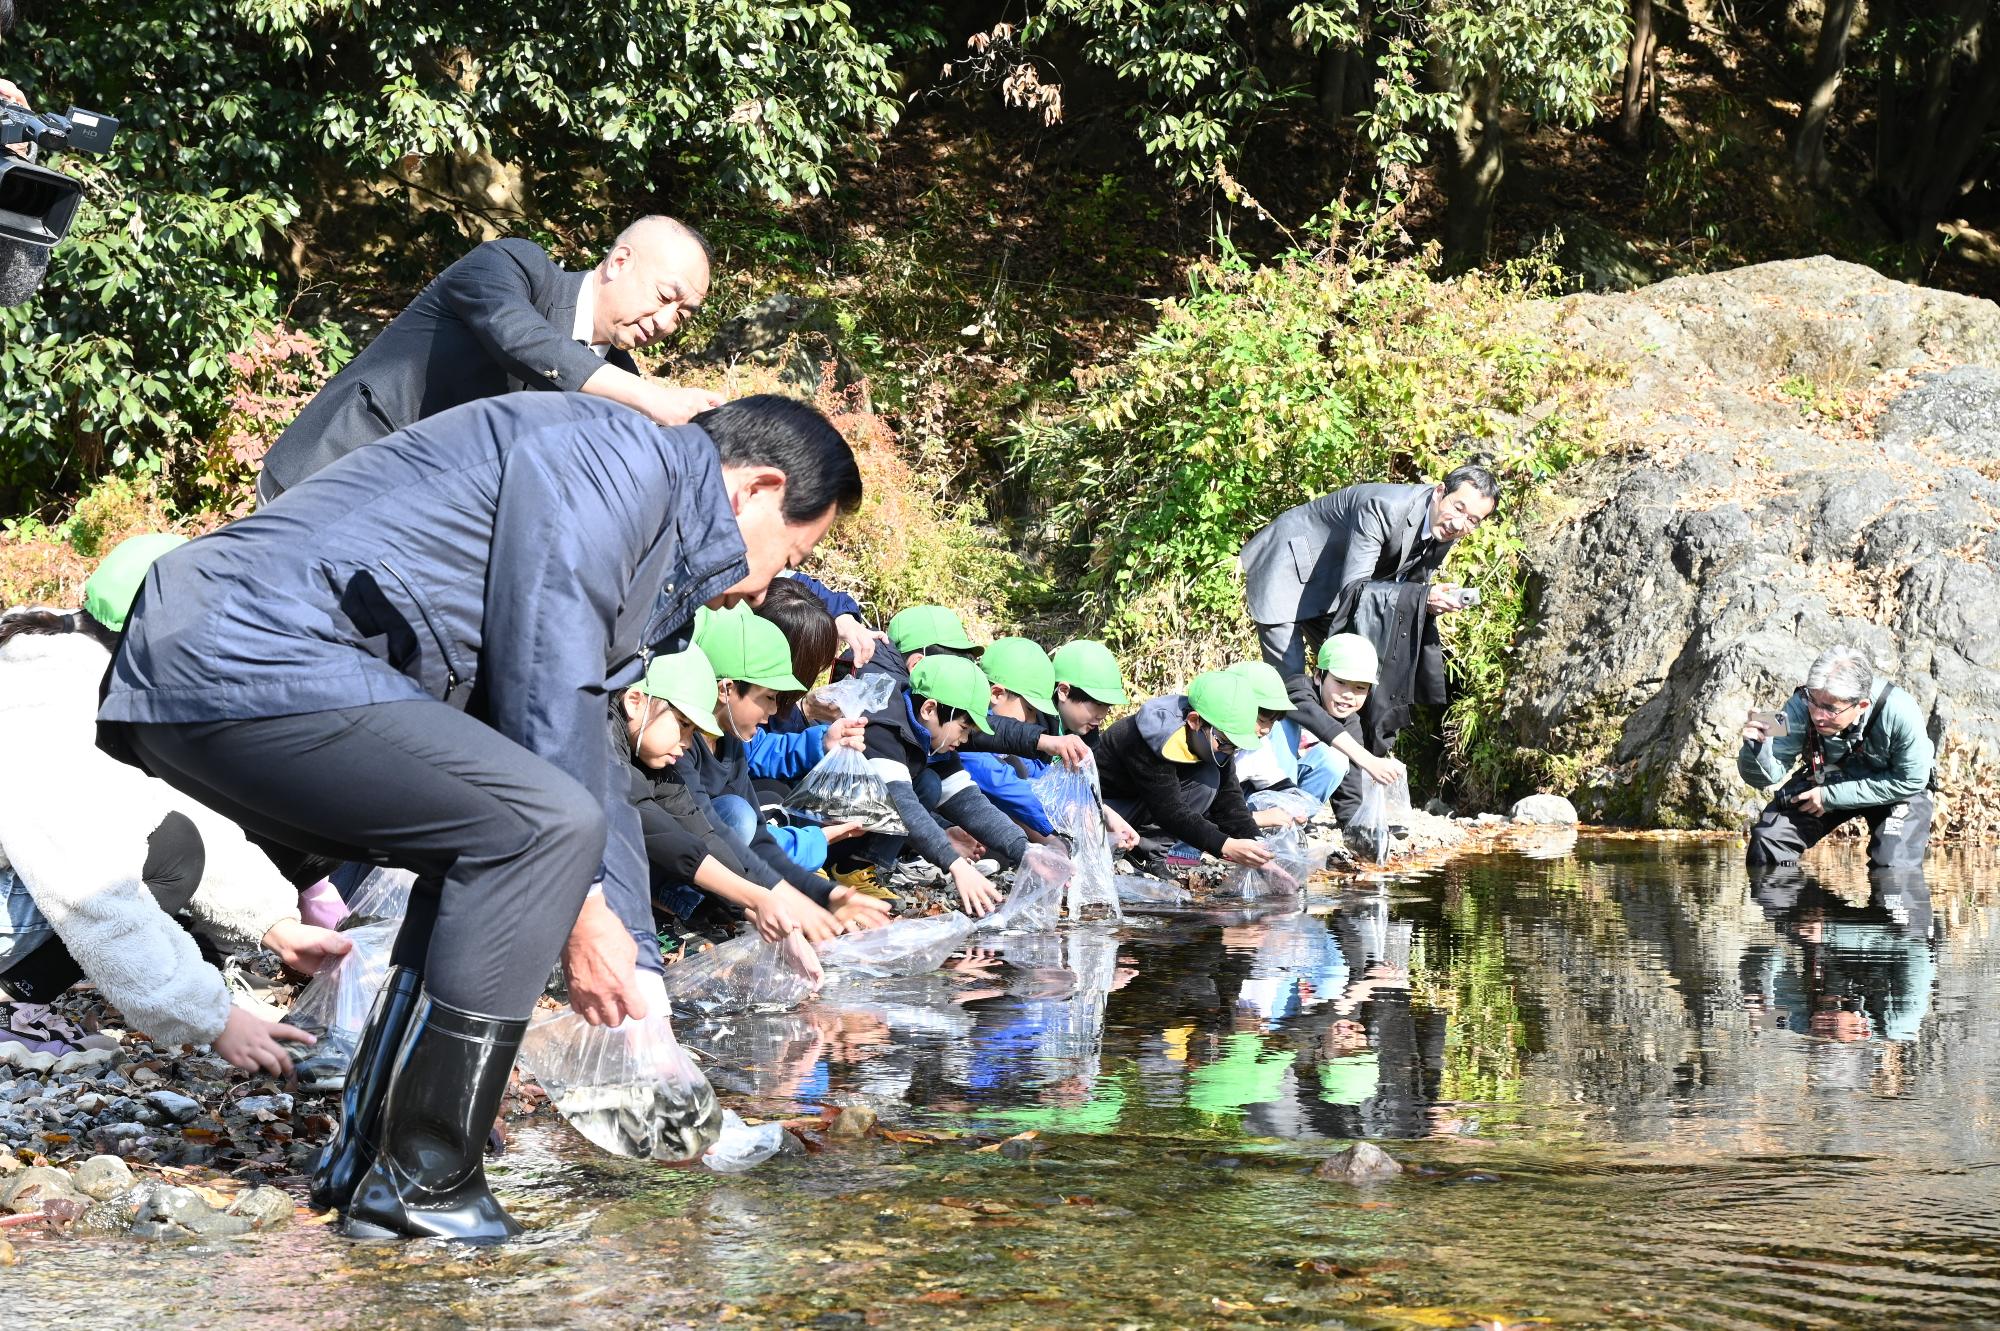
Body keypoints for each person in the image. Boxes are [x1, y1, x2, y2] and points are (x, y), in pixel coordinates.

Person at [99, 391, 861, 1242]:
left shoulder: (637, 507)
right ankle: (426, 1182)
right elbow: (550, 686)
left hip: (230, 659)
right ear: (756, 489)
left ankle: (372, 1162)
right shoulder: (614, 461)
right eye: (787, 553)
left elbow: (588, 752)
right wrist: (582, 912)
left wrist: (638, 966)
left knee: (493, 837)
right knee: (538, 831)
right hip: (250, 649)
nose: (755, 591)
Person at [0, 534, 350, 1075]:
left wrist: (275, 922)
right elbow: (90, 892)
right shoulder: (46, 711)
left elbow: (158, 803)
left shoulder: (75, 654)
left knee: (172, 836)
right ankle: (10, 1001)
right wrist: (212, 1017)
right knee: (167, 853)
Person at [256, 216, 725, 500]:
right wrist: (652, 398)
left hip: (412, 528)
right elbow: (518, 335)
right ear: (619, 262)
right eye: (666, 296)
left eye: (684, 315)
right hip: (334, 468)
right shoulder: (515, 265)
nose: (667, 321)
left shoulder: (621, 381)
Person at [1239, 465, 1499, 768]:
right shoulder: (1384, 506)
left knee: (1354, 671)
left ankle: (1349, 782)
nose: (1459, 524)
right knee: (1291, 682)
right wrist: (1423, 597)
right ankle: (1275, 778)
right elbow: (1356, 587)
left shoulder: (1447, 529)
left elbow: (1411, 587)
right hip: (1286, 569)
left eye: (1473, 520)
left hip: (1330, 591)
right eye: (1459, 508)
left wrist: (1428, 602)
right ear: (1440, 492)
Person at [619, 643, 836, 959]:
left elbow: (701, 833)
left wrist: (766, 902)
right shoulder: (607, 749)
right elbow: (659, 831)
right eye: (683, 724)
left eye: (693, 731)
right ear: (635, 701)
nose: (685, 743)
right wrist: (757, 900)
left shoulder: (670, 755)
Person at [1739, 644, 1936, 869]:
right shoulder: (1798, 705)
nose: (1817, 716)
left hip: (1897, 788)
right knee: (1768, 839)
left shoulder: (1902, 710)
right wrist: (1756, 749)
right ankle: (1803, 905)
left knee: (1893, 865)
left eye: (1830, 709)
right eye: (1813, 701)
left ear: (1861, 705)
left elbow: (1912, 779)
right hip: (1829, 779)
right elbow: (1764, 778)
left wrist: (1830, 797)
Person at [851, 655, 1015, 917]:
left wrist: (1024, 849)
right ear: (929, 709)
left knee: (929, 783)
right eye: (962, 728)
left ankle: (863, 867)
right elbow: (901, 804)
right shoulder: (884, 727)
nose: (963, 739)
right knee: (923, 786)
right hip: (826, 831)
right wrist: (956, 866)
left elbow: (967, 800)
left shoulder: (928, 735)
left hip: (859, 821)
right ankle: (848, 868)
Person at [959, 637, 1140, 851]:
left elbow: (1036, 774)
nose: (1031, 721)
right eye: (1029, 710)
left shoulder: (1009, 733)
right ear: (997, 694)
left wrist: (1099, 811)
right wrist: (1069, 815)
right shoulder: (963, 729)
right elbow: (1001, 784)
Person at [1095, 669, 1274, 869]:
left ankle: (1154, 853)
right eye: (1224, 742)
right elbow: (1169, 809)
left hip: (1143, 804)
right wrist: (1226, 846)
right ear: (1194, 721)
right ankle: (1144, 855)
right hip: (1104, 810)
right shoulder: (1150, 738)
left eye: (1234, 746)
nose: (1228, 751)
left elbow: (1229, 798)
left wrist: (1259, 848)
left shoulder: (1215, 742)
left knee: (1210, 779)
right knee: (1203, 781)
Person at [1050, 639, 1127, 745]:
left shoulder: (1088, 734)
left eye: (1108, 706)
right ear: (1063, 691)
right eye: (1098, 704)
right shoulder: (1033, 726)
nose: (1102, 715)